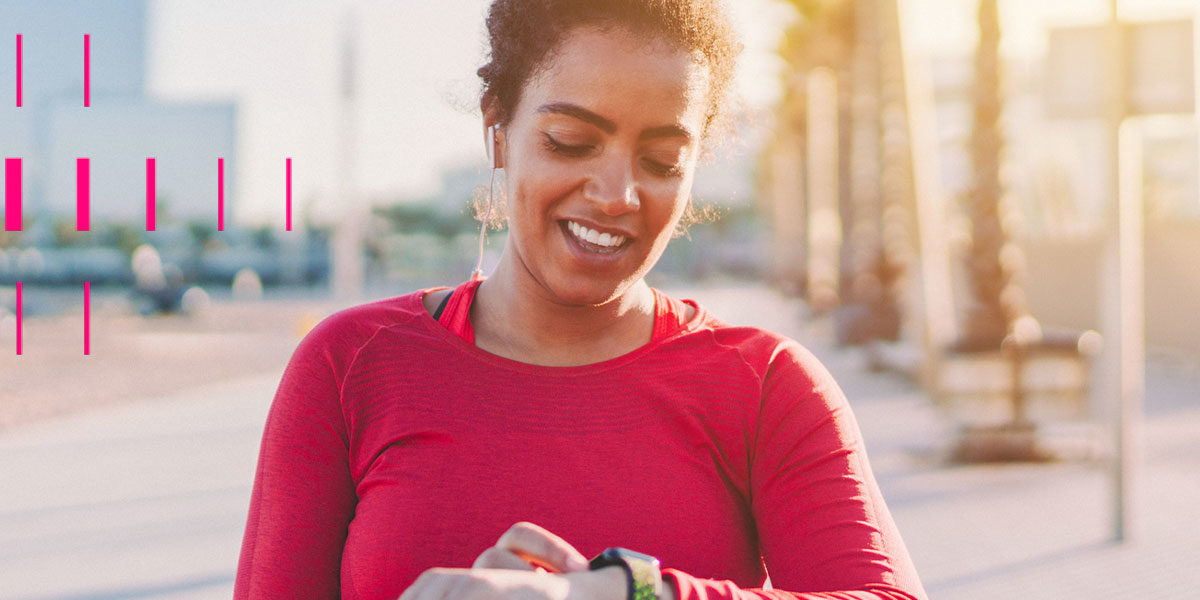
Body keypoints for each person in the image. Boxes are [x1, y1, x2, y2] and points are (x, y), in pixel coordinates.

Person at [234, 1, 927, 599]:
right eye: (571, 142)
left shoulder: (766, 385)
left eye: (660, 162)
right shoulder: (351, 365)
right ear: (497, 128)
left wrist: (626, 589)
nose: (617, 194)